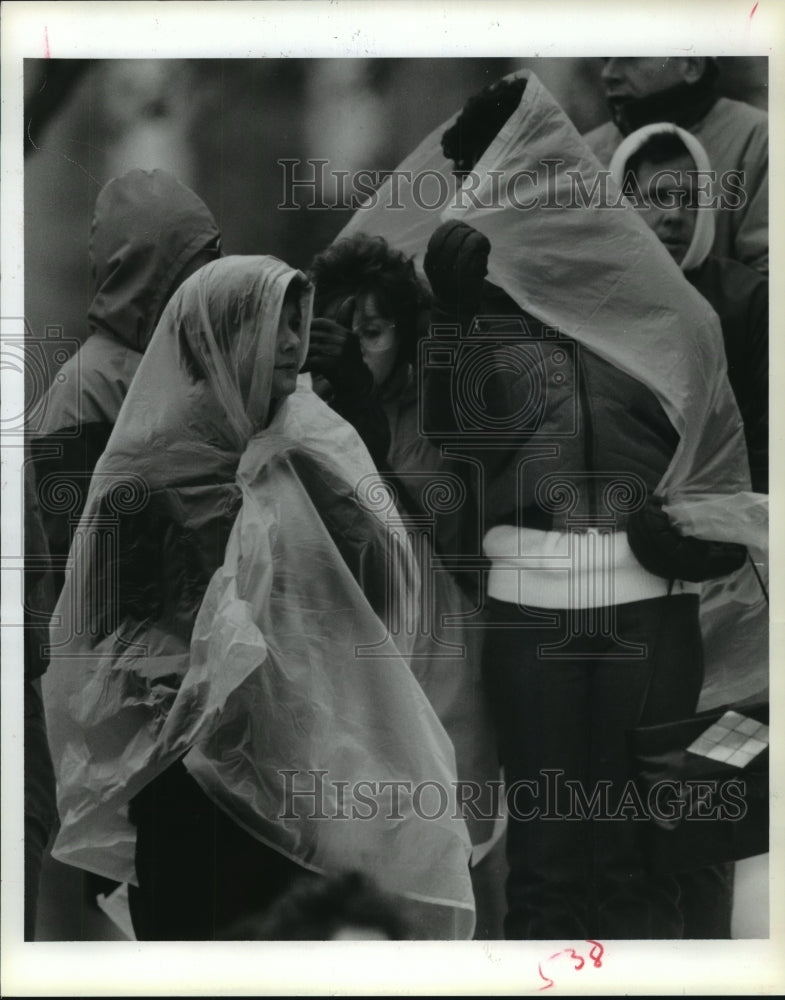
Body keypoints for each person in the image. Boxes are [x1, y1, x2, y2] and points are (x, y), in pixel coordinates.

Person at [337, 70, 757, 940]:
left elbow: (720, 472)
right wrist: (457, 324)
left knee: (644, 864)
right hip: (530, 616)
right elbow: (461, 455)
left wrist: (698, 536)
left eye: (489, 171)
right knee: (547, 868)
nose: (478, 194)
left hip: (653, 617)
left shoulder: (670, 307)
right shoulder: (473, 301)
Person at [42, 255, 475, 941]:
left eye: (299, 324)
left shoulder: (310, 449)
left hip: (299, 787)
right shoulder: (146, 471)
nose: (295, 344)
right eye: (276, 326)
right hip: (183, 789)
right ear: (217, 338)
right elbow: (102, 641)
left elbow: (382, 589)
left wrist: (342, 432)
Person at [308, 233, 505, 934]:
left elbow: (433, 522)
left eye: (374, 331)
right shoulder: (308, 416)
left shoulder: (434, 409)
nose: (361, 349)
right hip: (358, 656)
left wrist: (364, 421)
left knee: (450, 830)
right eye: (344, 334)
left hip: (443, 650)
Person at [31, 168, 222, 599]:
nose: (210, 279)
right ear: (150, 273)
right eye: (197, 263)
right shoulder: (84, 389)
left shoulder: (184, 366)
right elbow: (71, 557)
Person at [609, 124, 768, 493]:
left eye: (691, 199)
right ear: (622, 204)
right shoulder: (594, 296)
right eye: (657, 196)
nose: (676, 215)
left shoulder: (747, 298)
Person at [583, 57, 768, 274]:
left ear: (691, 66)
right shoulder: (587, 151)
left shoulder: (761, 139)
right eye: (606, 60)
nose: (608, 74)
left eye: (630, 58)